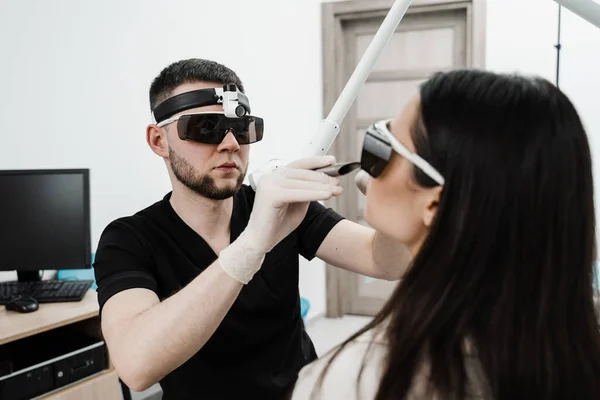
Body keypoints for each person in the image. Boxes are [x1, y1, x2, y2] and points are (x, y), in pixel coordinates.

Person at [93, 58, 408, 400]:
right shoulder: (129, 239)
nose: (230, 144)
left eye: (242, 129)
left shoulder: (278, 205)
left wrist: (387, 210)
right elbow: (136, 366)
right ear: (159, 141)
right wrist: (253, 244)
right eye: (205, 128)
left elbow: (386, 263)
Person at [291, 69, 600, 400]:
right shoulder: (578, 342)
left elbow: (377, 258)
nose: (367, 167)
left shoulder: (354, 380)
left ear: (435, 201)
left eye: (382, 148)